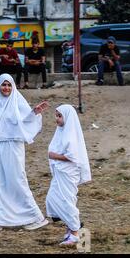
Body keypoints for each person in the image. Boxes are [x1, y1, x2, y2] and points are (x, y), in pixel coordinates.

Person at [0, 74, 49, 232]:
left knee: (16, 180)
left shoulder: (17, 101)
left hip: (12, 147)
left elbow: (26, 119)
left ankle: (36, 217)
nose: (6, 88)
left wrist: (34, 112)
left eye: (9, 85)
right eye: (3, 85)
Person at [46, 104, 91, 246]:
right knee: (52, 199)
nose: (57, 119)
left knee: (67, 201)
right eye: (56, 115)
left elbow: (72, 156)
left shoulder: (71, 134)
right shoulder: (61, 131)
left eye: (59, 116)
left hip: (68, 172)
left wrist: (54, 156)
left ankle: (75, 233)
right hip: (60, 172)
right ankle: (71, 227)